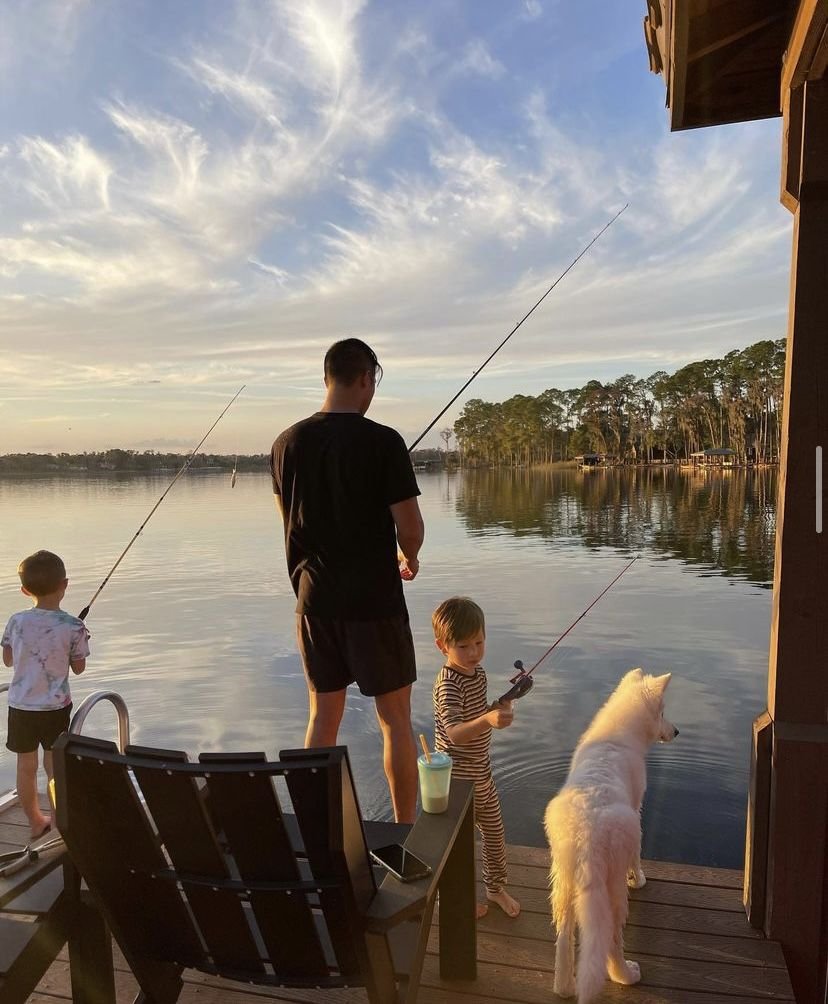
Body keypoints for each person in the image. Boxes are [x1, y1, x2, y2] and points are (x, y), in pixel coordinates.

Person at [270, 338, 424, 823]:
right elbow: (411, 528)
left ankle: (316, 828)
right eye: (373, 383)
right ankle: (403, 832)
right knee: (395, 722)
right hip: (375, 602)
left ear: (326, 377)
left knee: (322, 719)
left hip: (314, 603)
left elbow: (289, 522)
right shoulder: (384, 442)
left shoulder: (285, 444)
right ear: (366, 379)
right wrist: (410, 555)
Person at [432, 595, 521, 919]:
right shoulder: (447, 685)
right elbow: (455, 732)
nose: (473, 653)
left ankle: (495, 888)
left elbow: (477, 714)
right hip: (455, 781)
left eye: (479, 643)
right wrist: (487, 720)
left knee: (495, 836)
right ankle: (452, 898)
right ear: (443, 646)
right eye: (463, 646)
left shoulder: (478, 674)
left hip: (482, 775)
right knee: (456, 847)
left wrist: (497, 708)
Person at [2, 550, 89, 839]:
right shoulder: (74, 626)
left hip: (21, 706)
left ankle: (36, 821)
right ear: (65, 584)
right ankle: (58, 821)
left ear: (25, 590)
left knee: (26, 767)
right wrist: (79, 642)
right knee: (54, 767)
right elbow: (78, 668)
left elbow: (8, 660)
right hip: (54, 708)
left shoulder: (15, 621)